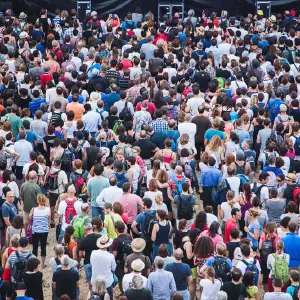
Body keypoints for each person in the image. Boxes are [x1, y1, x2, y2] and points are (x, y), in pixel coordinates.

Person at [90, 235, 116, 299]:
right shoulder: (110, 256)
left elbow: (91, 263)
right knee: (108, 297)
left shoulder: (93, 253)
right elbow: (114, 268)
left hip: (95, 281)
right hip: (107, 282)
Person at [30, 194, 50, 268]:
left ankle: (34, 264)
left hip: (36, 230)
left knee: (35, 247)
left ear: (37, 201)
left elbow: (30, 218)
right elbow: (48, 218)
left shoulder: (33, 209)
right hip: (44, 230)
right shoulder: (48, 209)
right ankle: (42, 264)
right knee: (43, 246)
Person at [78, 223, 99, 288]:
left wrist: (83, 256)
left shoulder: (83, 241)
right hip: (98, 261)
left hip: (88, 261)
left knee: (89, 280)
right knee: (99, 279)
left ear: (84, 230)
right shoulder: (100, 236)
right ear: (92, 228)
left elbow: (80, 254)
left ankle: (91, 292)